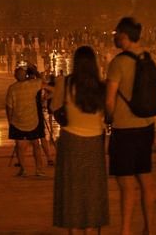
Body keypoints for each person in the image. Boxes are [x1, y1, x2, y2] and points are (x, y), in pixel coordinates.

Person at [107, 17, 156, 235]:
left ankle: (126, 231)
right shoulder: (150, 58)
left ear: (125, 36)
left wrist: (108, 119)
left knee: (126, 184)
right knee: (145, 179)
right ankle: (149, 228)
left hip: (125, 128)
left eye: (117, 33)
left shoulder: (118, 63)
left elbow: (109, 100)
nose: (115, 37)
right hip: (147, 126)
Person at [51, 45, 110, 234]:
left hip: (71, 142)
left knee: (72, 192)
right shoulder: (102, 88)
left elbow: (54, 107)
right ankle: (91, 230)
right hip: (94, 142)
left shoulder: (65, 83)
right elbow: (108, 114)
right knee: (93, 191)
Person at [5, 66, 46, 177]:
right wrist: (35, 70)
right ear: (25, 76)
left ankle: (23, 169)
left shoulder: (12, 88)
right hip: (33, 120)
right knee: (36, 145)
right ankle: (39, 169)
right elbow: (42, 79)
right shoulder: (32, 85)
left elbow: (9, 107)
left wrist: (10, 121)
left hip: (17, 122)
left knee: (20, 147)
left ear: (15, 77)